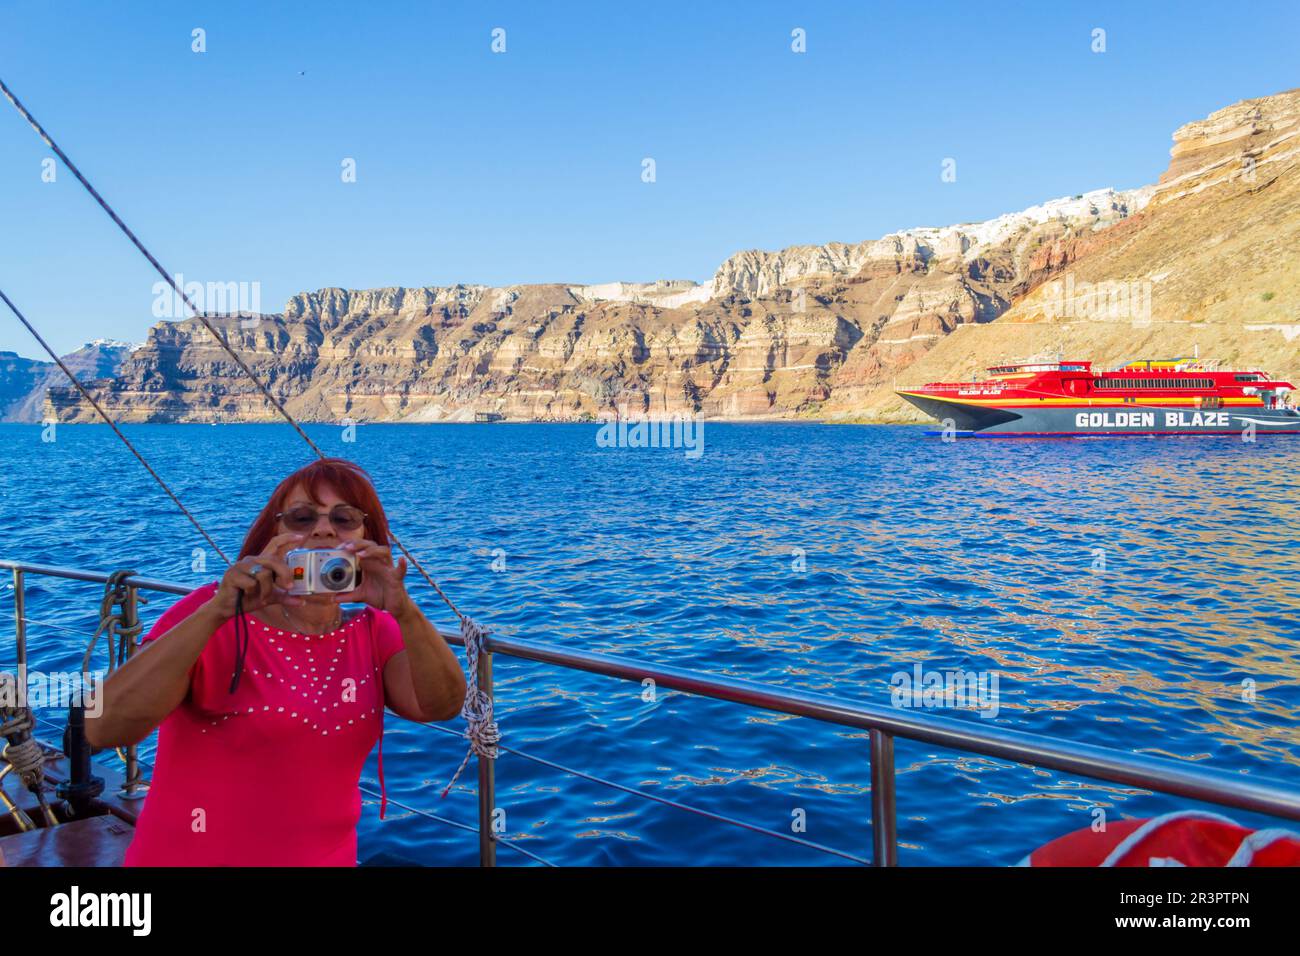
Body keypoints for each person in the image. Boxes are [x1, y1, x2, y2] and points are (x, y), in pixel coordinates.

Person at [86, 457, 468, 866]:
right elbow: (102, 727)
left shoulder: (373, 629)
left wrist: (404, 610)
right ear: (273, 536)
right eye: (302, 518)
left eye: (344, 518)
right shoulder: (211, 612)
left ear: (368, 539)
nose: (323, 529)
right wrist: (218, 611)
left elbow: (440, 705)